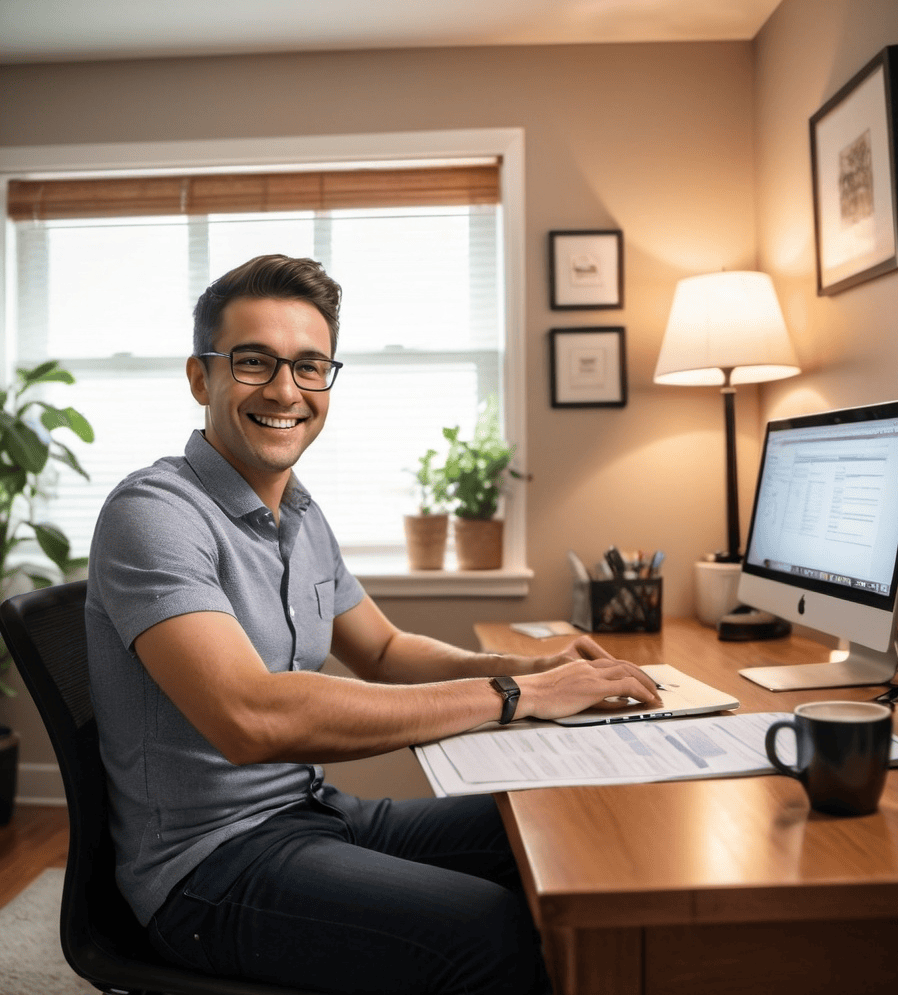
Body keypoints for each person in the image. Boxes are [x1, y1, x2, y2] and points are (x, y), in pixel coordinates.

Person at [85, 253, 659, 995]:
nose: (286, 390)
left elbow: (385, 649)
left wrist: (535, 673)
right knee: (486, 930)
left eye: (310, 366)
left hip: (315, 811)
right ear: (202, 377)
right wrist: (512, 698)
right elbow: (249, 716)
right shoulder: (154, 515)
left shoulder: (295, 510)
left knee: (557, 830)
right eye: (255, 362)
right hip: (208, 868)